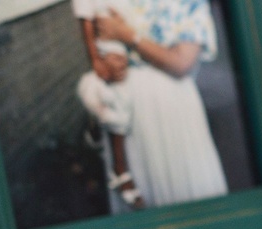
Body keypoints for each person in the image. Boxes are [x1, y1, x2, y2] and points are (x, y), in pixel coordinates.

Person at [94, 0, 228, 212]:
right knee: (140, 192)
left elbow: (181, 63)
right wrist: (106, 62)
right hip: (125, 107)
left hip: (170, 103)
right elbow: (101, 37)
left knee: (184, 189)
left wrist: (127, 36)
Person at [73, 0, 145, 210]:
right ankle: (120, 169)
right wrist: (96, 59)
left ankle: (96, 128)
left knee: (122, 108)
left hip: (124, 51)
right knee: (117, 112)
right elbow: (86, 24)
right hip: (107, 53)